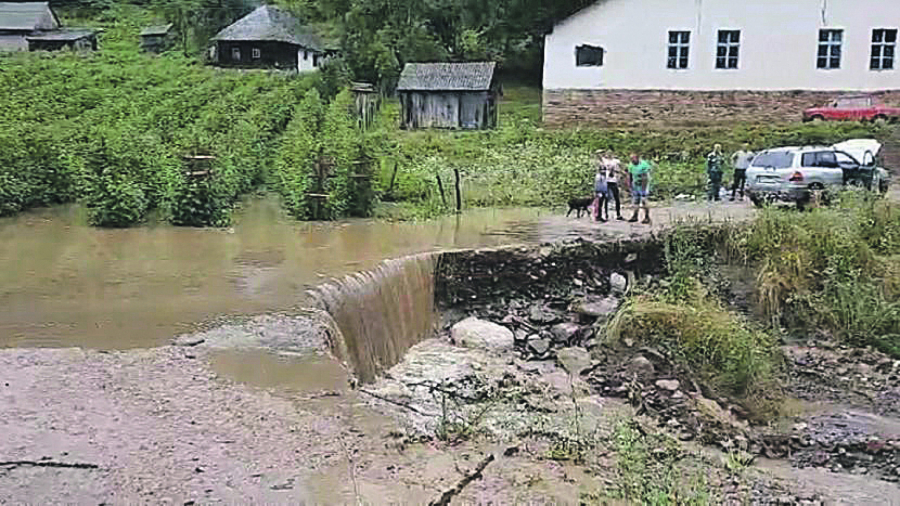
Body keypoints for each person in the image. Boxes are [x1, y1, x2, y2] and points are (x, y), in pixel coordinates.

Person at [627, 152, 651, 224]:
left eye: (633, 159)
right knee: (635, 201)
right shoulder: (631, 165)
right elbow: (630, 175)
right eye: (631, 159)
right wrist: (630, 185)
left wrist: (643, 189)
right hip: (635, 184)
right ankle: (635, 215)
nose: (632, 161)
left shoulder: (643, 165)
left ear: (637, 158)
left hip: (643, 184)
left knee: (644, 201)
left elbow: (645, 177)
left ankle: (647, 217)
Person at [599, 150, 624, 220]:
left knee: (617, 198)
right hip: (606, 181)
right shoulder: (604, 161)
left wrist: (618, 175)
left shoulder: (616, 161)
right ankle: (605, 214)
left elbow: (619, 169)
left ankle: (618, 214)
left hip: (614, 180)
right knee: (605, 198)